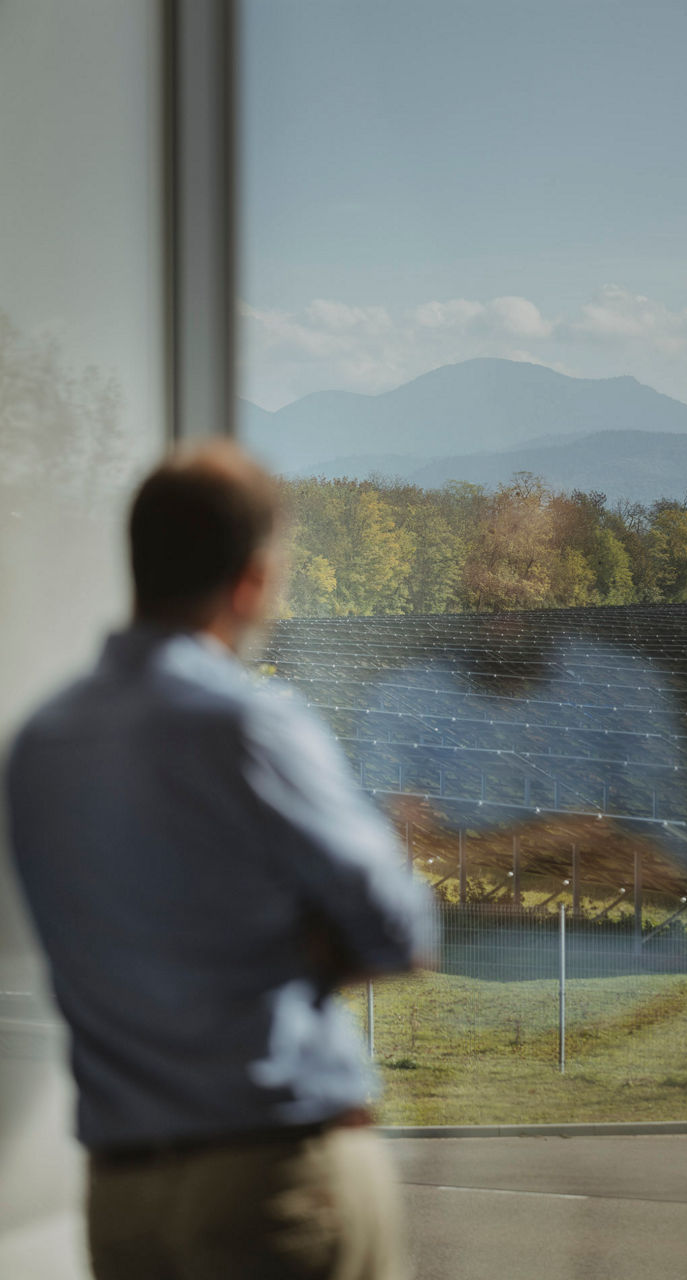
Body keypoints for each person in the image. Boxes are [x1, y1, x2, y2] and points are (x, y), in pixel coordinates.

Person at [6, 441, 433, 1280]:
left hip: (122, 1197)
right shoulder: (247, 724)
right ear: (252, 579)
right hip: (271, 1182)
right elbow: (398, 930)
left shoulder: (38, 743)